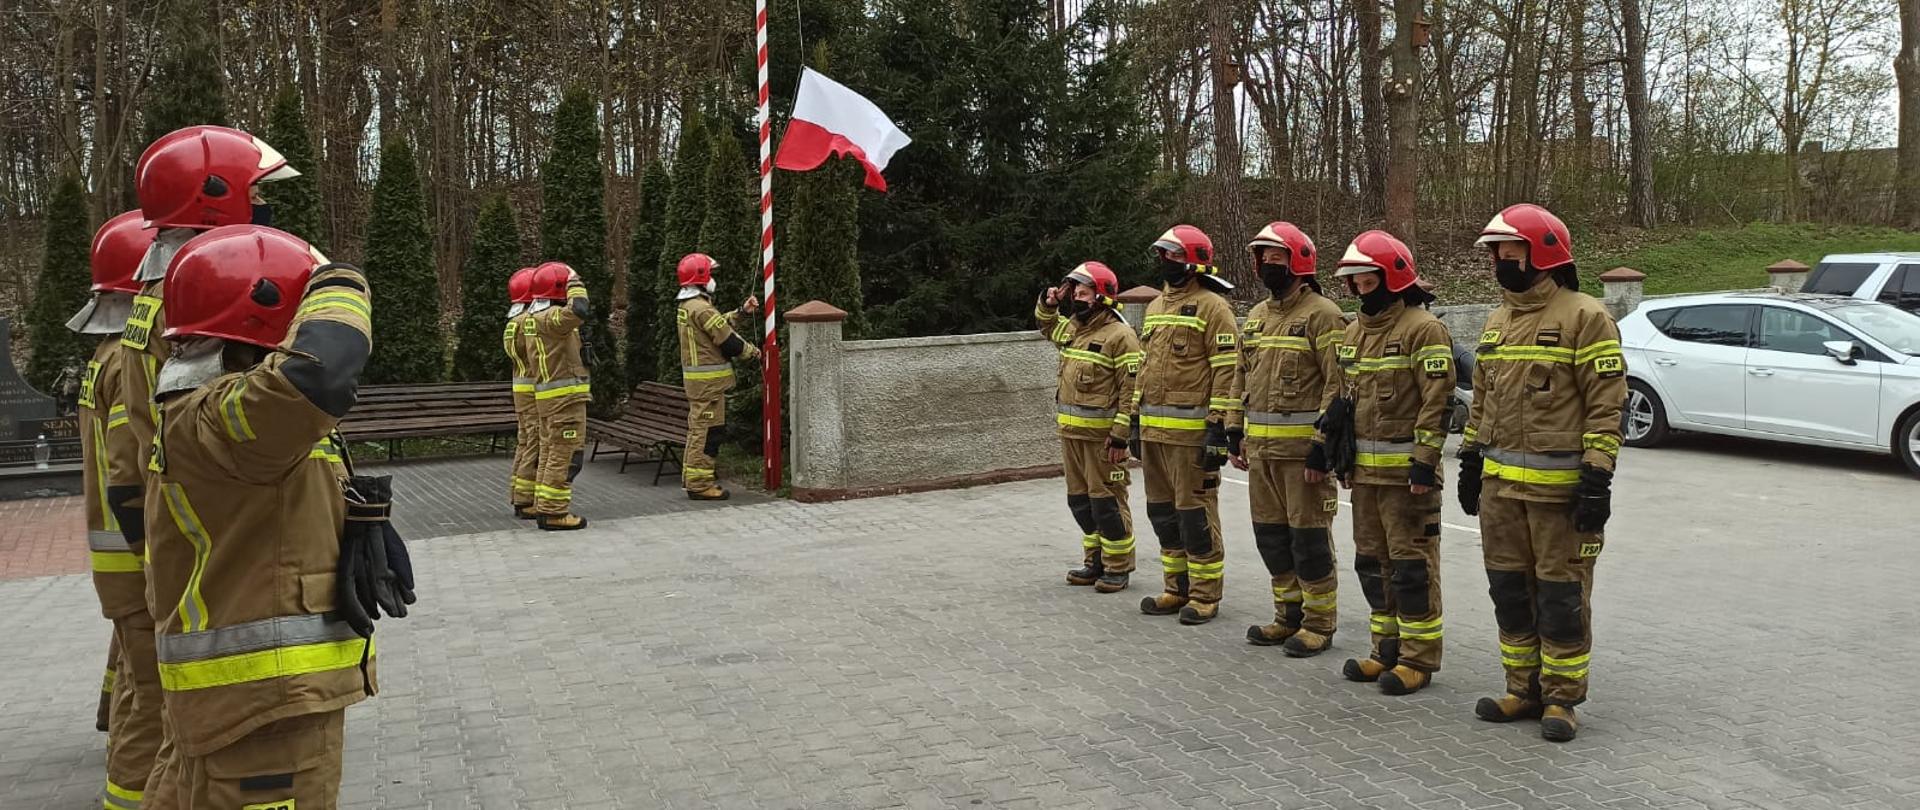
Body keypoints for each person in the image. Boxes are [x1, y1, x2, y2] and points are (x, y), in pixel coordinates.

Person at [143, 225, 382, 807]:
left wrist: (354, 530)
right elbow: (322, 375)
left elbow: (276, 498)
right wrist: (341, 283)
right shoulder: (224, 418)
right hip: (262, 710)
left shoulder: (212, 417)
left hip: (245, 703)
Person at [1458, 203, 1624, 742]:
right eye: (1496, 252)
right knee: (1509, 591)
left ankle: (1561, 699)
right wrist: (1470, 456)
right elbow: (1481, 399)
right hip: (1501, 494)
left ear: (1543, 252)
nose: (1500, 260)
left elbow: (1606, 405)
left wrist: (1597, 476)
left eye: (1510, 250)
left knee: (1561, 597)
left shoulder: (1586, 316)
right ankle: (1521, 688)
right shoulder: (1496, 320)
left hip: (1560, 496)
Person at [1322, 230, 1454, 695]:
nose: (1359, 288)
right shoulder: (1354, 332)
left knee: (1412, 566)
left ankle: (1418, 658)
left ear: (1392, 278)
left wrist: (1424, 460)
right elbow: (1342, 394)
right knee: (1372, 563)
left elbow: (1437, 402)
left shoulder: (1424, 328)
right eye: (1353, 281)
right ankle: (1385, 648)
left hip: (1407, 480)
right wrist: (1331, 444)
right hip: (1365, 477)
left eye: (1365, 278)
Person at [72, 210, 165, 809]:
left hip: (119, 557)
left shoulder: (105, 355)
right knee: (153, 700)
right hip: (135, 556)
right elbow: (131, 464)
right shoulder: (121, 365)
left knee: (134, 679)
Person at [1236, 223, 1346, 657]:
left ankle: (1319, 623)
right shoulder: (1259, 316)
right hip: (1262, 455)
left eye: (1275, 259)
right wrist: (1233, 430)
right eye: (1261, 258)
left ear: (1298, 261)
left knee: (1310, 541)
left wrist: (1323, 446)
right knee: (1272, 539)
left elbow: (1337, 386)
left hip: (1303, 457)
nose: (1266, 266)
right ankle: (1287, 616)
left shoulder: (1324, 315)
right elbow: (1240, 376)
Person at [1133, 225, 1240, 625]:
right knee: (1162, 514)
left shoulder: (1214, 307)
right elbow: (1144, 370)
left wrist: (1219, 426)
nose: (1165, 262)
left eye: (1173, 256)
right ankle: (1174, 587)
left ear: (1194, 261)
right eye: (1163, 254)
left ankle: (1205, 595)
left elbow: (1228, 370)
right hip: (1154, 435)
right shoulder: (1157, 306)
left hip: (1191, 437)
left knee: (1194, 515)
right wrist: (1133, 418)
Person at [1035, 262, 1142, 592]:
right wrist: (1049, 302)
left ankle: (1118, 566)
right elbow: (1046, 326)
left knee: (1106, 502)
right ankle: (1093, 560)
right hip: (1071, 436)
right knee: (1080, 501)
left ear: (1102, 297)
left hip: (1102, 440)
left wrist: (1121, 436)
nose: (1077, 299)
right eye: (1075, 293)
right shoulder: (1074, 330)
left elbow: (1132, 390)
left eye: (1084, 293)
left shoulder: (1120, 337)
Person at [672, 253, 760, 500]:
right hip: (708, 386)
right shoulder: (700, 307)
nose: (713, 279)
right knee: (707, 433)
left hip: (701, 385)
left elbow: (717, 324)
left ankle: (694, 480)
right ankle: (700, 485)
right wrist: (754, 353)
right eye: (710, 274)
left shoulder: (691, 306)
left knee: (700, 430)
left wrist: (741, 312)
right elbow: (728, 340)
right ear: (700, 277)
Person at [522, 262, 592, 529]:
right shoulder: (551, 318)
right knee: (565, 455)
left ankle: (544, 505)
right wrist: (575, 283)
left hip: (549, 400)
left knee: (551, 453)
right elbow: (579, 310)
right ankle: (554, 513)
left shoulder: (532, 318)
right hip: (565, 401)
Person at [505, 267, 540, 517]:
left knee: (525, 441)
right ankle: (526, 499)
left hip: (520, 388)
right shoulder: (527, 322)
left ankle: (519, 492)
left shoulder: (512, 321)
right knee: (535, 443)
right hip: (532, 391)